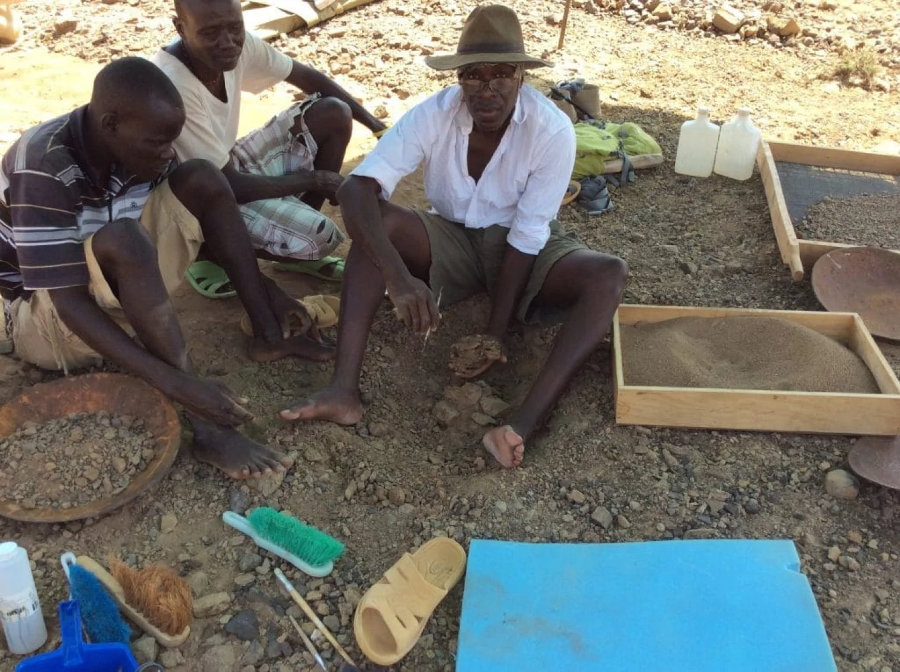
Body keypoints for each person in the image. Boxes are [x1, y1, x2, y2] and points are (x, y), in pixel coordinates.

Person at [280, 5, 629, 469]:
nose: (486, 90)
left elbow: (526, 237)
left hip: (523, 244)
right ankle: (344, 390)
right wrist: (399, 279)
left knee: (609, 276)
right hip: (452, 238)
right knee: (375, 224)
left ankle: (519, 426)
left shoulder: (551, 129)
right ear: (458, 78)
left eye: (501, 74)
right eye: (473, 76)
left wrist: (494, 334)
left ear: (521, 76)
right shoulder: (435, 113)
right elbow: (355, 190)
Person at [0, 57, 331, 479]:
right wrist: (180, 386)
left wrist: (272, 293)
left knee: (203, 178)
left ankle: (268, 333)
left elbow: (204, 228)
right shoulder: (44, 164)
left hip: (110, 280)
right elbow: (69, 303)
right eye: (158, 143)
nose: (167, 152)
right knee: (126, 238)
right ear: (111, 124)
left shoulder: (137, 146)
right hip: (42, 320)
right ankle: (206, 425)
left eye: (171, 140)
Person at [151, 0, 388, 298]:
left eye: (235, 27)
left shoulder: (236, 41)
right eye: (210, 33)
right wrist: (316, 180)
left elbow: (308, 77)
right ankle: (206, 255)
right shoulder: (175, 85)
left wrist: (377, 126)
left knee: (334, 113)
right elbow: (229, 186)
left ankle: (293, 258)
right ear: (180, 28)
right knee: (319, 238)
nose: (227, 42)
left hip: (227, 162)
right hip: (195, 195)